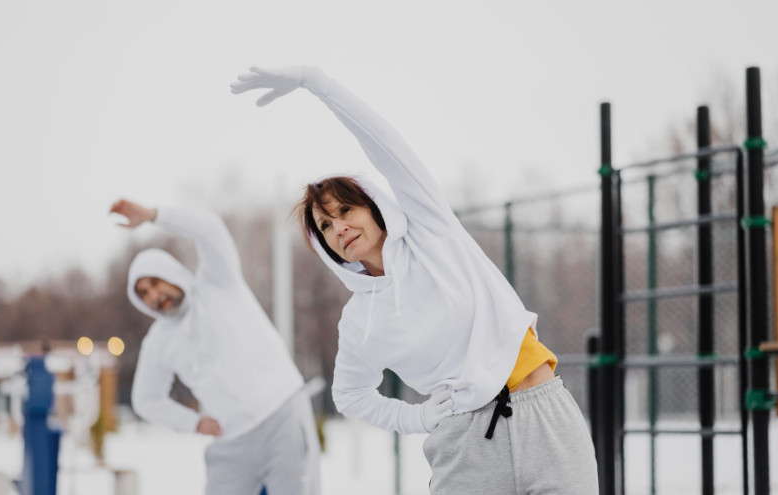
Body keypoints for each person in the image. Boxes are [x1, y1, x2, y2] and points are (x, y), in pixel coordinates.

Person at [231, 66, 598, 493]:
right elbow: (350, 395)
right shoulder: (359, 320)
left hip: (545, 417)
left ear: (373, 208)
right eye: (325, 226)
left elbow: (388, 148)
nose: (339, 229)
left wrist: (319, 84)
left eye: (345, 211)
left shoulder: (432, 234)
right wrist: (416, 418)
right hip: (465, 445)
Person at [110, 199, 320, 495]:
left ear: (170, 273)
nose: (154, 295)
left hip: (281, 416)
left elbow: (210, 229)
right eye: (143, 293)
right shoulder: (158, 342)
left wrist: (154, 216)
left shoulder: (217, 283)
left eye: (155, 283)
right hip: (231, 441)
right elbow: (146, 400)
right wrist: (194, 423)